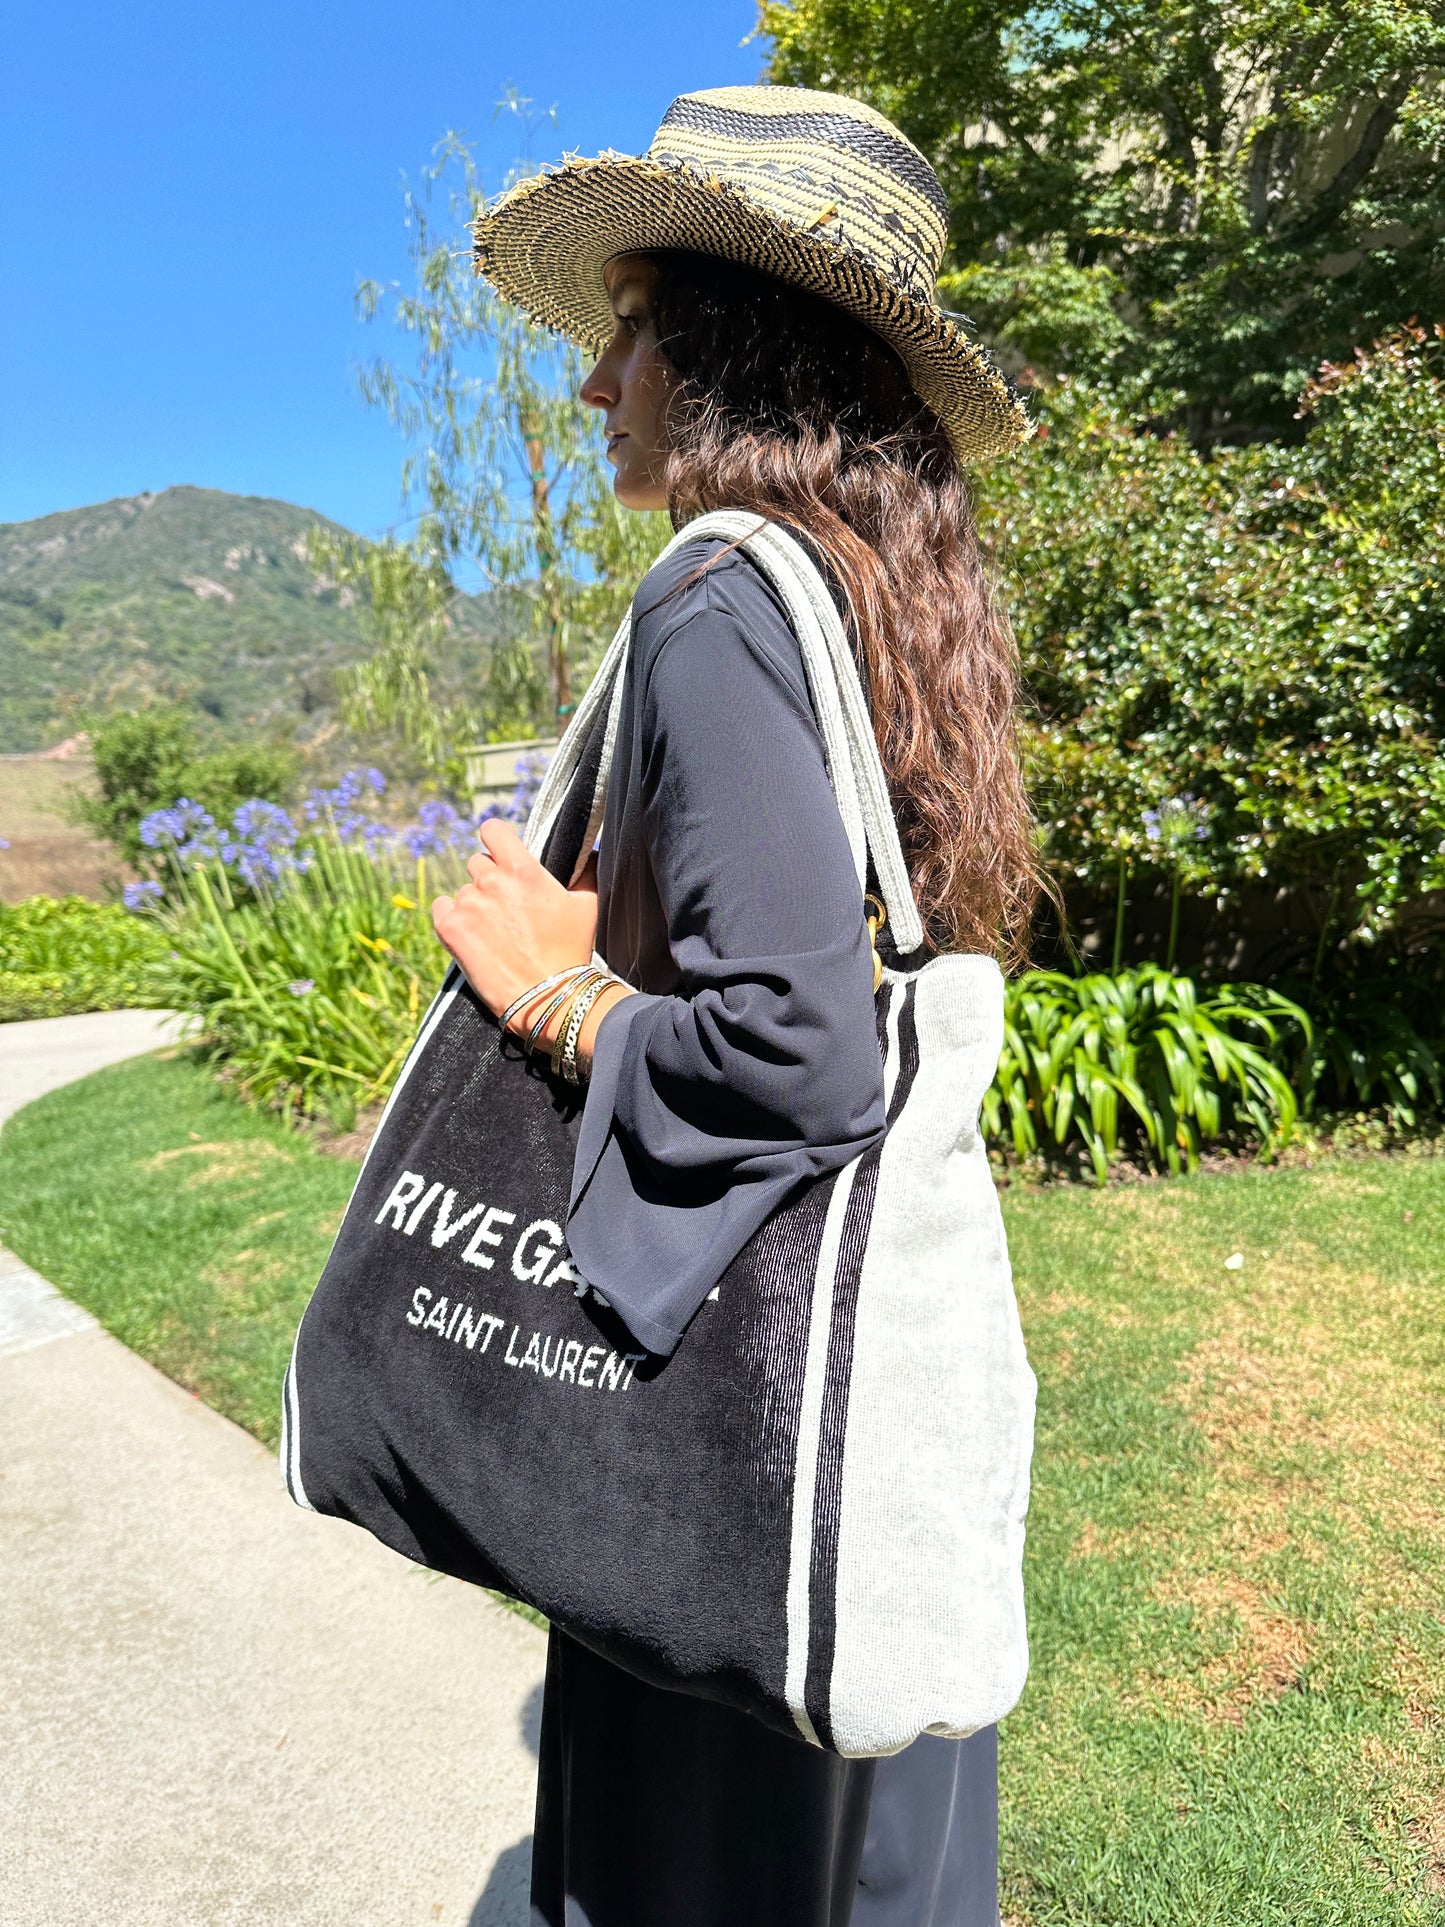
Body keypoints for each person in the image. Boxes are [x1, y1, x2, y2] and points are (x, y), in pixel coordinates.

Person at [432, 85, 1041, 1927]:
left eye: (630, 323)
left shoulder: (715, 597)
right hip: (848, 1424)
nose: (593, 379)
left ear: (728, 342)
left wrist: (560, 1000)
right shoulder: (889, 602)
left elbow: (796, 1048)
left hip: (730, 1425)